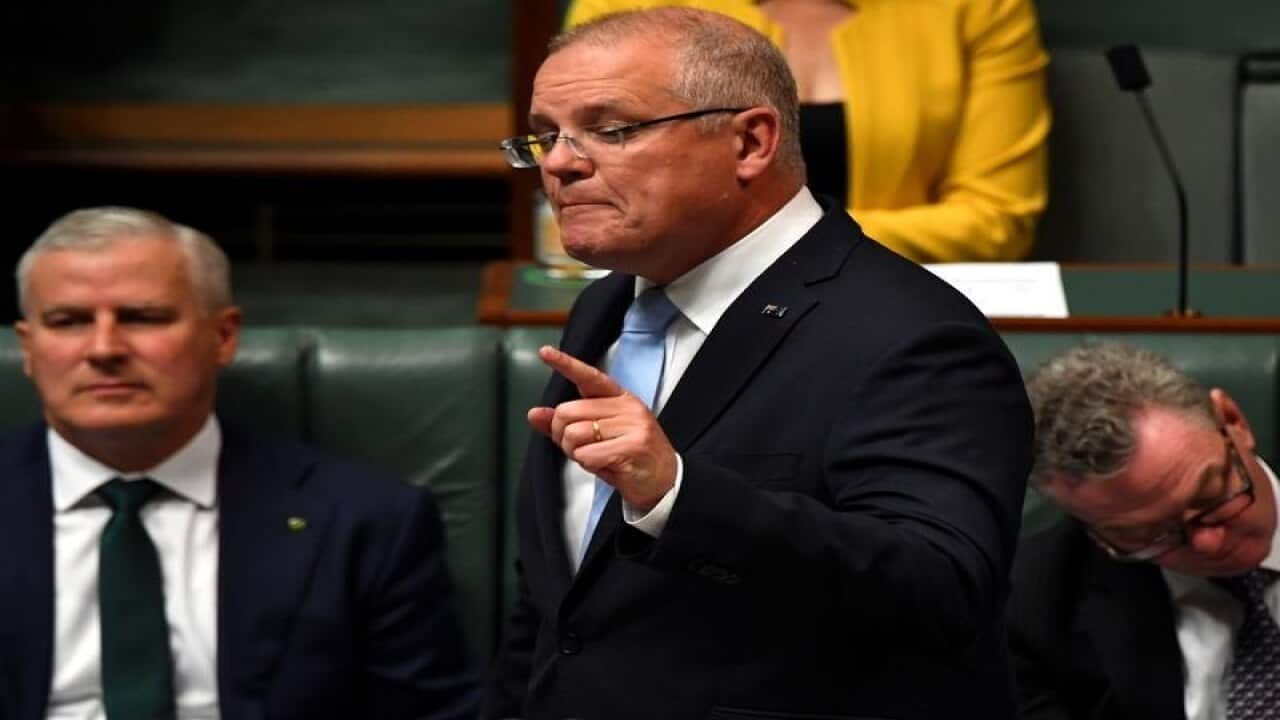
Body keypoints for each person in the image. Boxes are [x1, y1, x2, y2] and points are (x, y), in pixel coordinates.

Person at [484, 8, 1034, 719]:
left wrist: (680, 497)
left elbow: (944, 591)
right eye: (548, 135)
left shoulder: (913, 335)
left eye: (611, 129)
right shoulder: (606, 309)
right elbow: (566, 605)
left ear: (749, 141)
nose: (559, 162)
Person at [0, 207, 477, 720]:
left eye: (144, 317)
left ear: (223, 337)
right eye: (68, 322)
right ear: (28, 348)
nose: (103, 348)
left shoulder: (366, 522)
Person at [562, 0, 1051, 264]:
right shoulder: (628, 3)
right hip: (680, 291)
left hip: (897, 295)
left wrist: (781, 247)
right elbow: (597, 191)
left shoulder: (979, 7)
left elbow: (996, 218)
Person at [1009, 343, 1280, 720]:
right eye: (1150, 535)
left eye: (1211, 494)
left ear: (1234, 421)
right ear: (1091, 529)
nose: (1208, 542)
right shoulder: (1028, 608)